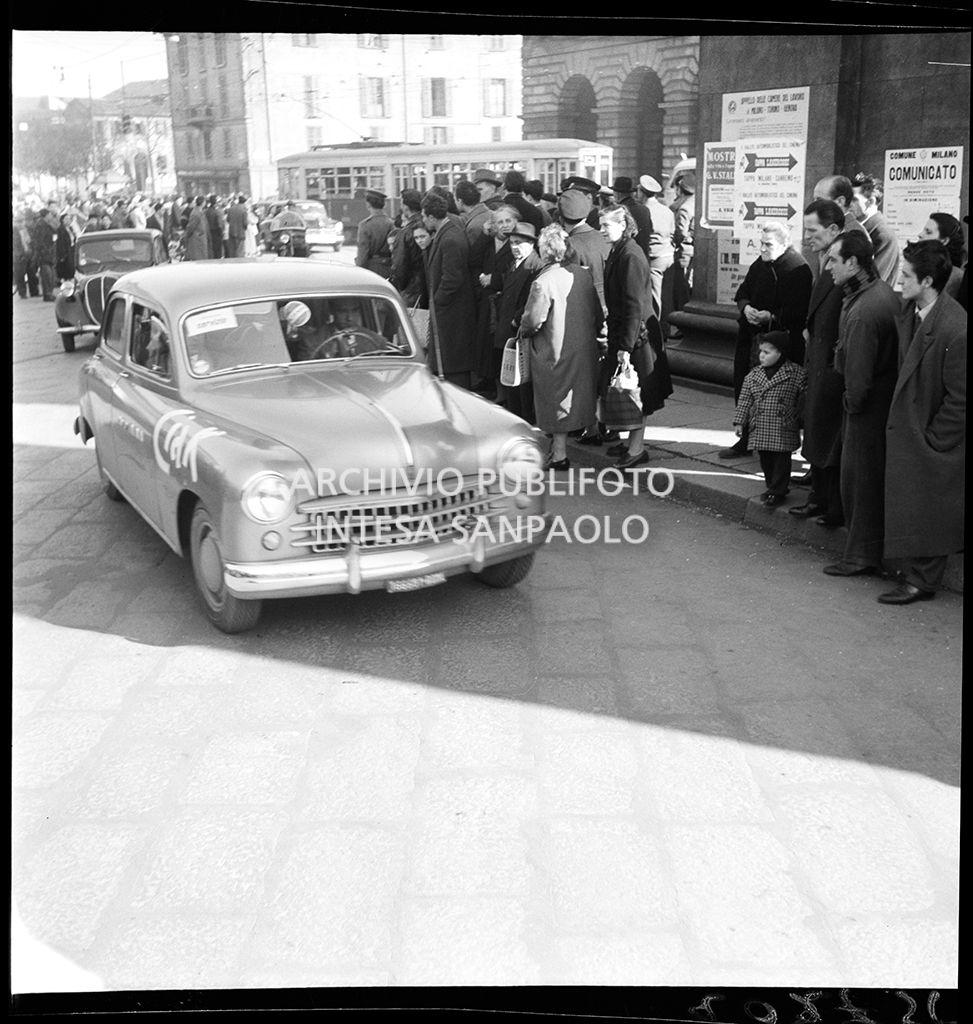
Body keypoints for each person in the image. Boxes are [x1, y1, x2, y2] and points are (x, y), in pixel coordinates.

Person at [877, 240, 966, 604]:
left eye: (907, 274)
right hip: (915, 430)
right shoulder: (913, 311)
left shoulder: (956, 328)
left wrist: (934, 440)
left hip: (930, 438)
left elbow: (961, 399)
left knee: (932, 506)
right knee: (918, 504)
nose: (899, 279)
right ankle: (913, 571)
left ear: (927, 281)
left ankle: (923, 580)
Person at [822, 230, 900, 579]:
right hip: (877, 402)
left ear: (853, 263)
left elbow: (857, 374)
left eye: (834, 261)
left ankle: (859, 557)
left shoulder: (864, 310)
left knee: (859, 481)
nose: (828, 268)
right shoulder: (875, 292)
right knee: (864, 479)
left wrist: (852, 406)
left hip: (865, 408)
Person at [720, 221, 813, 457]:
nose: (762, 249)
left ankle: (778, 447)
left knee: (777, 397)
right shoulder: (759, 265)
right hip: (751, 338)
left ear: (784, 245)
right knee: (746, 388)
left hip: (780, 342)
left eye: (768, 245)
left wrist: (771, 316)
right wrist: (747, 307)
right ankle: (744, 438)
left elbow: (799, 310)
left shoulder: (798, 269)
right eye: (761, 244)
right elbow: (742, 292)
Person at [519, 224, 603, 470]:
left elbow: (532, 321)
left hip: (552, 350)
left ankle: (559, 455)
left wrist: (522, 328)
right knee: (582, 393)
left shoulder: (542, 282)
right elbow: (597, 312)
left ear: (545, 251)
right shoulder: (583, 274)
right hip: (583, 346)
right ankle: (593, 429)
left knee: (555, 400)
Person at [788, 199, 848, 527]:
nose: (807, 236)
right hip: (819, 362)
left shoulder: (842, 261)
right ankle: (819, 498)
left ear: (834, 229)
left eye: (813, 230)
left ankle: (827, 504)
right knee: (818, 432)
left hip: (829, 365)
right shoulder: (826, 259)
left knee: (827, 434)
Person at [599, 203, 672, 468]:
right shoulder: (621, 250)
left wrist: (625, 347)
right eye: (601, 224)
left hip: (637, 337)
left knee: (636, 393)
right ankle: (630, 443)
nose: (602, 230)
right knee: (628, 390)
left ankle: (637, 449)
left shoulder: (630, 255)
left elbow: (633, 307)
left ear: (623, 225)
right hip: (628, 334)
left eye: (606, 225)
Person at [732, 332, 808, 507]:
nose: (761, 356)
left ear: (780, 353)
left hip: (783, 425)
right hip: (761, 425)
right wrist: (739, 421)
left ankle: (778, 490)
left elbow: (804, 396)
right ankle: (771, 486)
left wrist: (800, 417)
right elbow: (745, 399)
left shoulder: (795, 373)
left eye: (767, 352)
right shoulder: (753, 375)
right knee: (766, 459)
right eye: (760, 352)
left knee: (782, 460)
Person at [421, 192, 477, 387]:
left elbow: (452, 278)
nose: (423, 221)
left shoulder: (450, 238)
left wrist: (438, 300)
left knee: (453, 364)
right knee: (449, 360)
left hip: (452, 312)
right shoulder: (448, 233)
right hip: (450, 310)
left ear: (430, 217)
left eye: (423, 216)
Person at [490, 221, 543, 420]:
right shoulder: (515, 264)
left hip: (519, 330)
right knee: (511, 377)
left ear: (531, 244)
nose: (514, 247)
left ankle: (524, 418)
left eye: (519, 243)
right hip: (507, 329)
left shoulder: (534, 266)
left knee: (522, 381)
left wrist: (517, 319)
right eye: (512, 243)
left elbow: (533, 299)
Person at [454, 180, 496, 393]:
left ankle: (485, 379)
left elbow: (471, 259)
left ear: (460, 200)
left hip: (480, 287)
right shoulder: (487, 215)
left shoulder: (474, 225)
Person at [848, 173, 900, 287]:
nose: (848, 205)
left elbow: (872, 281)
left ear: (870, 202)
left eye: (854, 200)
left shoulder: (883, 235)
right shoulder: (855, 228)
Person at [637, 174, 675, 320]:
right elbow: (673, 232)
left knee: (654, 296)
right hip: (668, 255)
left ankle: (656, 332)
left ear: (642, 192)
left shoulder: (644, 212)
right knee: (666, 296)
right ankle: (666, 329)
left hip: (654, 257)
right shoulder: (667, 210)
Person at [918, 212, 966, 300]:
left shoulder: (954, 278)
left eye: (928, 232)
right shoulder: (922, 268)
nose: (920, 234)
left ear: (944, 241)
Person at [610, 176, 653, 262]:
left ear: (617, 194)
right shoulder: (645, 209)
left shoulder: (618, 211)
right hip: (644, 257)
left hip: (626, 258)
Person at [356, 189, 393, 278]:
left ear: (368, 204)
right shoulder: (391, 223)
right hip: (389, 267)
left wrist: (359, 269)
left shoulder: (365, 225)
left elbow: (363, 252)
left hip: (371, 268)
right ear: (383, 205)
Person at [33, 208, 58, 301]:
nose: (51, 216)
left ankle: (50, 293)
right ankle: (47, 294)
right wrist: (44, 251)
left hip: (50, 253)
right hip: (44, 255)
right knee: (46, 275)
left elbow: (55, 232)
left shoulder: (48, 224)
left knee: (51, 276)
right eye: (50, 214)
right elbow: (39, 241)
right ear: (46, 215)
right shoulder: (40, 225)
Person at [183, 196, 211, 260]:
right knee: (199, 258)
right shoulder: (195, 213)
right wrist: (187, 236)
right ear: (203, 203)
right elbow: (191, 227)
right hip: (197, 239)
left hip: (201, 238)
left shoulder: (200, 211)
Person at [204, 195, 225, 260]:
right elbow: (219, 223)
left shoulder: (206, 211)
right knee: (217, 249)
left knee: (211, 248)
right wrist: (221, 231)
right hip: (216, 231)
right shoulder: (217, 211)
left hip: (209, 231)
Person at [55, 213, 74, 283]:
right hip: (65, 252)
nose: (68, 220)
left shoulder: (70, 228)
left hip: (71, 250)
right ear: (62, 220)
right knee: (66, 269)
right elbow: (60, 243)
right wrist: (62, 255)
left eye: (69, 219)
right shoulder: (60, 230)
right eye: (66, 219)